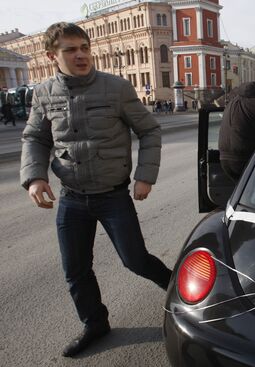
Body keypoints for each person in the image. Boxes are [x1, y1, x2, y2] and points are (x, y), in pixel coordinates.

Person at [19, 22, 171, 358]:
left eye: (84, 47)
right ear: (51, 56)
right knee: (75, 269)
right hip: (72, 199)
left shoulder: (116, 88)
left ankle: (181, 295)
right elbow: (35, 138)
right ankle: (95, 324)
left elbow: (149, 131)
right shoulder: (43, 93)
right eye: (70, 49)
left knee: (135, 260)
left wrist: (145, 175)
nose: (80, 55)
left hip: (113, 195)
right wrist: (34, 177)